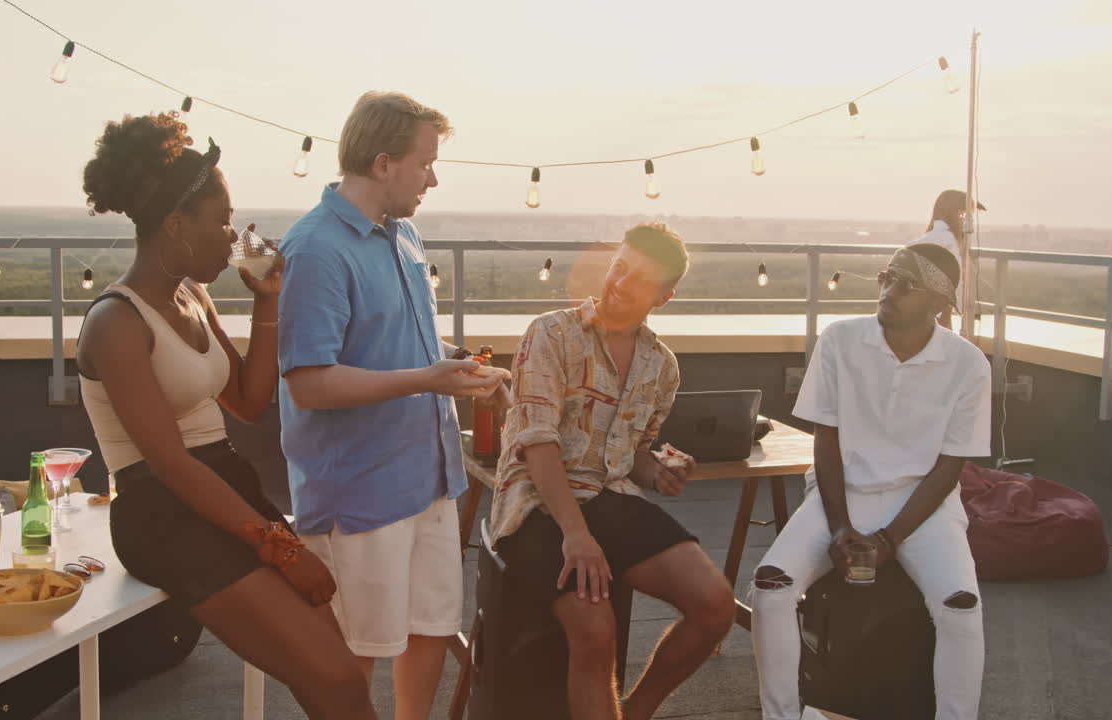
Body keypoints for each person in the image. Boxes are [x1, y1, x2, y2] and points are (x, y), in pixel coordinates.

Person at [75, 112, 374, 719]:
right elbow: (168, 463)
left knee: (334, 675)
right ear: (175, 224)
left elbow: (249, 400)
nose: (234, 236)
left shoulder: (194, 295)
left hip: (226, 489)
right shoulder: (116, 323)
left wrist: (268, 300)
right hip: (164, 510)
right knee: (336, 678)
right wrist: (283, 550)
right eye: (222, 220)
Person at [278, 91, 503, 720]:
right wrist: (428, 379)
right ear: (383, 164)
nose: (433, 177)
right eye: (425, 163)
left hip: (427, 476)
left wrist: (459, 364)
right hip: (359, 490)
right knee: (356, 650)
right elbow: (309, 384)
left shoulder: (403, 233)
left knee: (431, 627)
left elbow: (409, 341)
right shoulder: (316, 248)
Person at [489, 223, 736, 720]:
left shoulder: (661, 365)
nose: (620, 282)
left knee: (716, 607)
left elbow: (637, 455)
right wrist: (576, 536)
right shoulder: (550, 333)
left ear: (663, 297)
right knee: (596, 630)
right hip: (538, 504)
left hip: (611, 498)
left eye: (640, 279)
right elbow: (536, 444)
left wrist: (660, 471)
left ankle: (633, 712)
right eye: (619, 266)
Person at [749, 242, 991, 720]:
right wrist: (840, 527)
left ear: (940, 304)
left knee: (961, 608)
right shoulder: (840, 339)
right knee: (769, 587)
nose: (889, 290)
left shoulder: (968, 365)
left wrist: (889, 539)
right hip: (841, 493)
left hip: (924, 503)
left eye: (907, 284)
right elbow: (827, 442)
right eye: (887, 276)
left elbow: (949, 468)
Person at [908, 189, 986, 328]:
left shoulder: (933, 237)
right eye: (968, 217)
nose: (969, 224)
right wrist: (964, 309)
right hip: (936, 308)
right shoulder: (948, 240)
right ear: (959, 214)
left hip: (920, 306)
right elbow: (955, 280)